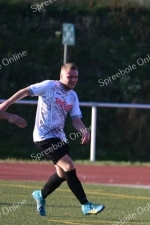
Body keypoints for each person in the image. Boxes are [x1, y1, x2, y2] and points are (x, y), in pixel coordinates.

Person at [0, 63, 104, 216]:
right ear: (61, 76)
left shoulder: (73, 96)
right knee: (69, 166)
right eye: (70, 76)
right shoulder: (49, 86)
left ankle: (40, 195)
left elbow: (76, 119)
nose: (73, 79)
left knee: (62, 175)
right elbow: (26, 91)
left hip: (60, 137)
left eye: (76, 77)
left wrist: (84, 130)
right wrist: (6, 104)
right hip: (44, 137)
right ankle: (86, 205)